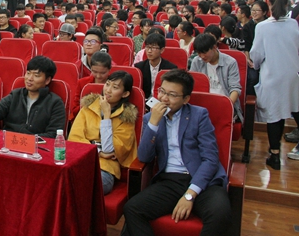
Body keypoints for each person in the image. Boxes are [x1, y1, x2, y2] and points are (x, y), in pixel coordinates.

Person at [122, 69, 232, 236]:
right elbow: (144, 156)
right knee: (132, 209)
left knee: (220, 213)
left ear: (186, 99)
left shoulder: (199, 115)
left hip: (202, 180)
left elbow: (210, 159)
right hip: (170, 181)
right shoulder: (150, 118)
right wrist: (153, 123)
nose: (164, 98)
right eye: (162, 91)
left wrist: (189, 195)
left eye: (172, 95)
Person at [249, 0, 299, 167]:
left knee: (274, 116)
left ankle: (275, 156)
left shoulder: (262, 27)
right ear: (287, 4)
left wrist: (255, 65)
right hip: (292, 75)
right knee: (293, 108)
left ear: (268, 3)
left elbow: (256, 55)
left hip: (272, 76)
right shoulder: (293, 24)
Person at [69, 71, 138, 195]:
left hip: (105, 169)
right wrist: (99, 151)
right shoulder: (88, 108)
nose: (108, 90)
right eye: (107, 84)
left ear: (125, 94)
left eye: (115, 87)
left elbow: (110, 149)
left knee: (83, 185)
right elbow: (74, 139)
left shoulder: (127, 117)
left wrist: (106, 116)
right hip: (81, 162)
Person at [0, 56, 66, 138]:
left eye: (36, 75)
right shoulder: (16, 95)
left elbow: (53, 134)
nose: (29, 78)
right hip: (8, 142)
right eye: (28, 73)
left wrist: (27, 140)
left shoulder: (55, 103)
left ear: (47, 80)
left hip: (37, 147)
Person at [190, 34, 242, 121]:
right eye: (199, 53)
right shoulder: (197, 61)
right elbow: (192, 85)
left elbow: (235, 89)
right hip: (202, 104)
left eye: (204, 52)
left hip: (223, 104)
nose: (202, 56)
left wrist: (226, 107)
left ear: (214, 47)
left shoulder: (230, 62)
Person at [135, 33, 177, 98]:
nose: (149, 51)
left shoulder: (171, 69)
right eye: (147, 47)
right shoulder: (139, 67)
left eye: (153, 48)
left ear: (162, 50)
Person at [75, 51, 112, 119]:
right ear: (90, 68)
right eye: (94, 72)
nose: (98, 76)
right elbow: (75, 107)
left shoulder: (114, 85)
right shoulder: (82, 83)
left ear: (109, 69)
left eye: (103, 73)